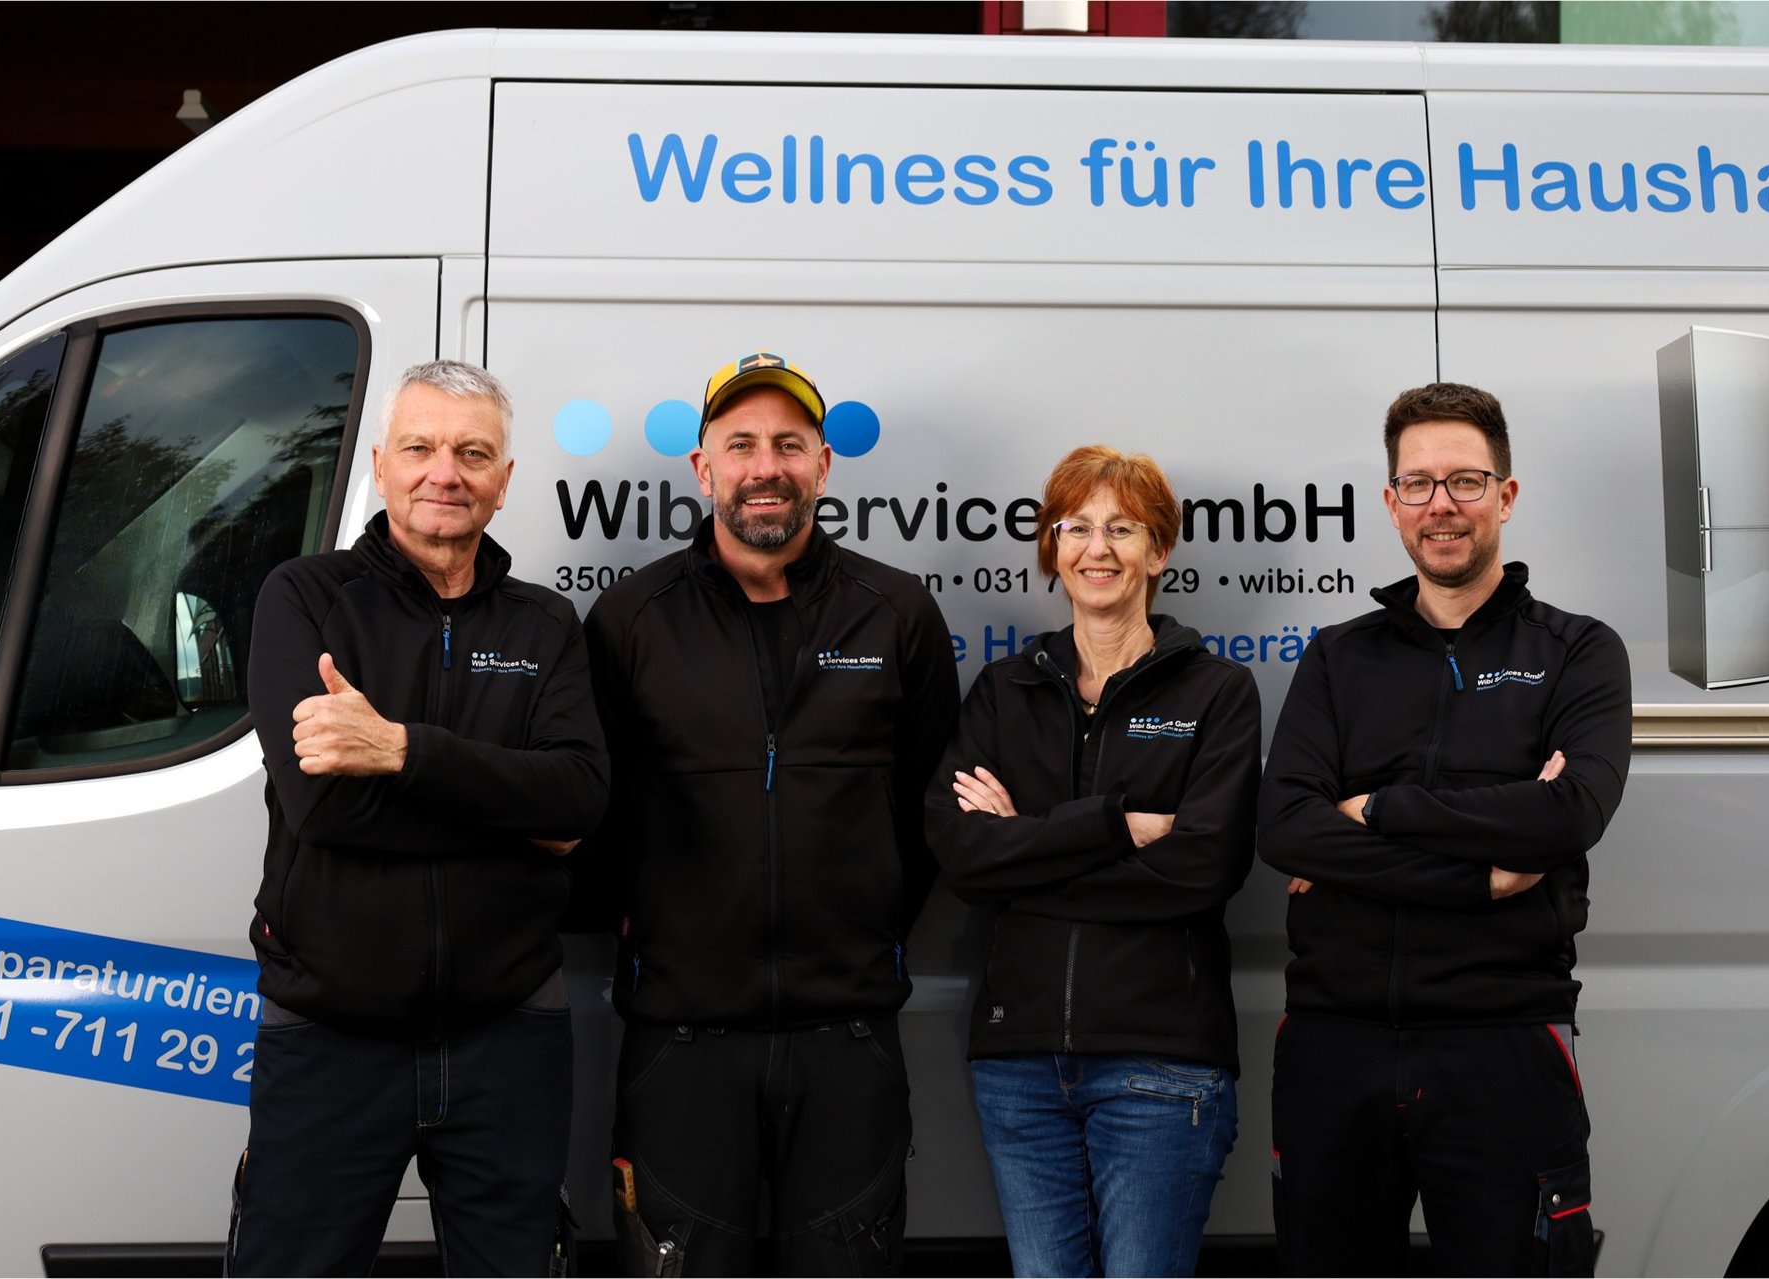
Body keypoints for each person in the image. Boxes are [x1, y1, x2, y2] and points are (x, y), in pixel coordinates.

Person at [229, 360, 610, 1277]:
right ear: (381, 463)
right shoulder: (306, 597)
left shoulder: (543, 622)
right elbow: (321, 803)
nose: (447, 471)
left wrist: (400, 751)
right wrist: (511, 809)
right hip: (330, 1035)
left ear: (505, 479)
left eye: (473, 452)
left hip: (508, 1033)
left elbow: (578, 800)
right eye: (422, 447)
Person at [583, 351, 959, 1275]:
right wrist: (650, 930)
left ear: (823, 465)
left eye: (789, 443)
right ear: (702, 466)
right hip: (680, 1039)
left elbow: (929, 813)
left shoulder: (896, 612)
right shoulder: (630, 619)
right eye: (740, 442)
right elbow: (589, 811)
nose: (766, 465)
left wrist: (863, 925)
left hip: (849, 1038)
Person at [1257, 382, 1632, 1276]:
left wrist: (1380, 809)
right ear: (1389, 504)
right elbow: (1286, 826)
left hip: (1500, 1042)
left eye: (1465, 480)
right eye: (1418, 484)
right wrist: (1477, 873)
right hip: (1332, 1046)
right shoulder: (1339, 657)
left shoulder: (1577, 650)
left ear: (1506, 494)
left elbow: (1569, 811)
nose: (1441, 506)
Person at [925, 445, 1260, 1278]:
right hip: (1019, 1064)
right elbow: (966, 860)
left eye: (1122, 527)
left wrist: (1027, 844)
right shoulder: (1004, 691)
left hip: (1163, 1063)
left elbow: (1202, 869)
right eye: (1076, 526)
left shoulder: (1215, 693)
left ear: (1160, 550)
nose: (1097, 547)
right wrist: (1118, 825)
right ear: (1052, 547)